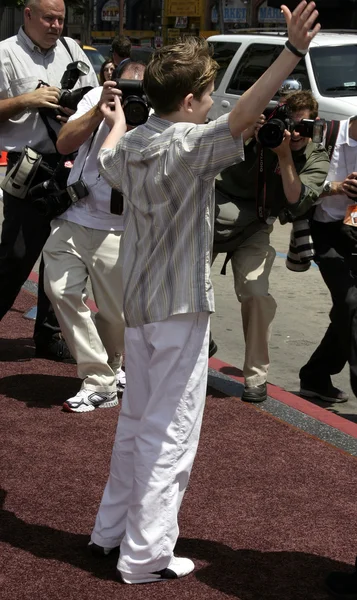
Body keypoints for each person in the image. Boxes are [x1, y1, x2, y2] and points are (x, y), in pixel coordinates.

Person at [89, 1, 321, 585]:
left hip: (140, 306)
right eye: (208, 94)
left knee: (138, 422)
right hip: (179, 310)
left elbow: (113, 150)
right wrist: (291, 50)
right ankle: (144, 555)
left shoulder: (135, 145)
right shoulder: (187, 147)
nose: (215, 102)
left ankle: (110, 533)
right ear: (191, 102)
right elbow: (243, 116)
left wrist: (115, 114)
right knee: (170, 432)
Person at [211, 90, 330, 403]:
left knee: (256, 293)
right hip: (210, 215)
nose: (296, 133)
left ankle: (255, 377)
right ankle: (197, 338)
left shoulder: (316, 156)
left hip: (256, 226)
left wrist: (284, 155)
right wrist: (250, 129)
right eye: (293, 124)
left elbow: (295, 199)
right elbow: (209, 153)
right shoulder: (257, 132)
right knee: (186, 284)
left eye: (306, 126)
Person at [42, 61, 145, 413]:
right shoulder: (94, 99)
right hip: (74, 214)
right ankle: (98, 379)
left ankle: (112, 368)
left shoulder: (156, 112)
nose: (130, 98)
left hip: (119, 227)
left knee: (115, 316)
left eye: (139, 90)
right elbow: (63, 143)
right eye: (125, 88)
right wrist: (99, 112)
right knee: (59, 290)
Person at [0, 0, 98, 360]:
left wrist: (78, 107)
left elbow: (96, 98)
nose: (57, 25)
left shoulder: (73, 50)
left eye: (61, 19)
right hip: (30, 165)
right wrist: (28, 99)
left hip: (73, 163)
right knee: (17, 255)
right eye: (49, 18)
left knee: (64, 258)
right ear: (28, 15)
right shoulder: (5, 54)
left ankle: (50, 335)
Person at [299, 115, 357, 403]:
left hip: (355, 229)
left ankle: (315, 375)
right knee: (350, 302)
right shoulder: (328, 133)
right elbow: (300, 186)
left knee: (348, 309)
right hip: (325, 230)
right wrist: (336, 188)